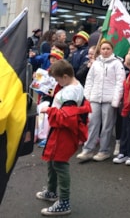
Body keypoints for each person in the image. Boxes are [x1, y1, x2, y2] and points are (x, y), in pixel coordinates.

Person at [35, 59, 91, 216]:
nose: (57, 81)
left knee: (59, 163)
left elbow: (67, 118)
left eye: (58, 78)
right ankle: (52, 191)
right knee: (53, 160)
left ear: (65, 76)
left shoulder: (70, 92)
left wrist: (48, 110)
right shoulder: (73, 85)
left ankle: (64, 201)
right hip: (60, 131)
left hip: (64, 132)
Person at [77, 40, 125, 162]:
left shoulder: (117, 63)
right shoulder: (96, 64)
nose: (105, 51)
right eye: (103, 49)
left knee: (107, 126)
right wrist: (88, 96)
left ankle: (104, 150)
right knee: (92, 123)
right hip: (95, 98)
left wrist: (115, 100)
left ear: (112, 50)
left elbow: (120, 82)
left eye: (108, 48)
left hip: (109, 100)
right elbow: (89, 80)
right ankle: (88, 149)